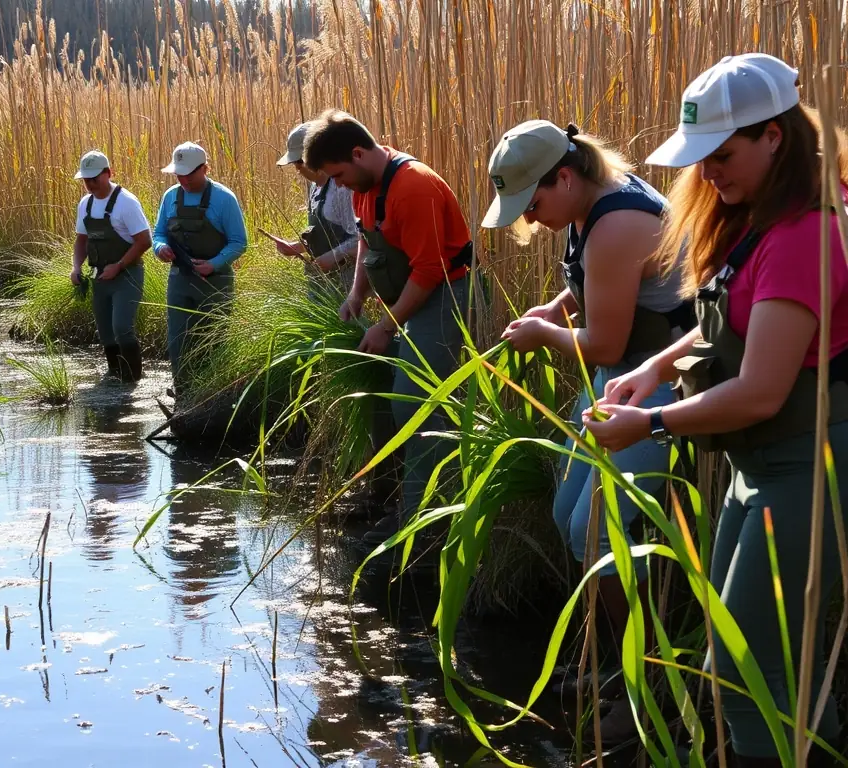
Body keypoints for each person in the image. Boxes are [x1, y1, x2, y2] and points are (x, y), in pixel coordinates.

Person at [584, 53, 848, 766]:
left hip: (805, 465)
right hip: (753, 463)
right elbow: (734, 314)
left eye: (722, 154)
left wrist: (655, 423)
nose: (707, 174)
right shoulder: (757, 219)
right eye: (700, 158)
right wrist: (653, 367)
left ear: (776, 137)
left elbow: (762, 388)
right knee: (732, 649)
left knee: (750, 668)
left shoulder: (807, 234)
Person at [482, 118, 695, 740]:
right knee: (567, 514)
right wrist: (556, 307)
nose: (532, 217)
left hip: (657, 384)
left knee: (596, 531)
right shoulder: (589, 207)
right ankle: (607, 658)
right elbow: (598, 286)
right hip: (617, 378)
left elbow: (606, 340)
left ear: (566, 176)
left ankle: (641, 684)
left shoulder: (618, 221)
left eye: (535, 202)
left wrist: (545, 334)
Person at [302, 110, 474, 544]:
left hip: (442, 299)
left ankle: (425, 522)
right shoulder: (365, 186)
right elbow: (366, 241)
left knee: (417, 406)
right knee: (383, 397)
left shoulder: (412, 186)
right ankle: (387, 495)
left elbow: (431, 271)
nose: (337, 184)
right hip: (401, 301)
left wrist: (386, 325)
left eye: (338, 174)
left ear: (358, 154)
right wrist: (356, 295)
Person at [152, 141, 247, 398]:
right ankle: (182, 395)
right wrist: (160, 248)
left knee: (213, 342)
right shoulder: (170, 196)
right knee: (178, 341)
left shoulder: (224, 199)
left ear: (205, 168)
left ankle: (212, 396)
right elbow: (158, 233)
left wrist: (213, 264)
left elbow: (239, 242)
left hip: (216, 282)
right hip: (179, 281)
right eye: (178, 173)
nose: (182, 178)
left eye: (188, 173)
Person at [71, 150, 152, 382]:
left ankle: (133, 380)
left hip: (127, 276)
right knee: (106, 332)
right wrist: (76, 267)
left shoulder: (126, 202)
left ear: (108, 173)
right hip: (100, 278)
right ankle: (115, 378)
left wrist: (118, 265)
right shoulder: (85, 205)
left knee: (122, 327)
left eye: (94, 178)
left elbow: (144, 240)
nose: (90, 184)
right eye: (86, 179)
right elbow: (81, 240)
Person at [275, 122, 359, 296]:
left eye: (299, 161)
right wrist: (295, 247)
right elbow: (325, 236)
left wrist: (333, 257)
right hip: (320, 285)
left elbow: (361, 240)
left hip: (347, 286)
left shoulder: (343, 189)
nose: (297, 168)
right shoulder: (315, 187)